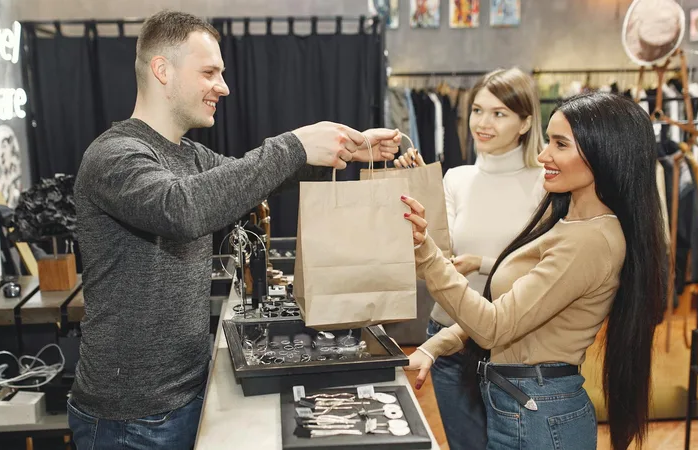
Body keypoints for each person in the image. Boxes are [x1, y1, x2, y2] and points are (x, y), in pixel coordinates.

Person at [68, 10, 400, 450]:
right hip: (130, 417)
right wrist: (296, 143)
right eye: (209, 72)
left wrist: (347, 151)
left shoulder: (189, 154)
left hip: (186, 392)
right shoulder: (114, 157)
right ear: (161, 70)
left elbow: (256, 179)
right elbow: (183, 210)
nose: (222, 87)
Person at [401, 92, 665, 450]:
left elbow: (495, 326)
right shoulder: (565, 219)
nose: (543, 156)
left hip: (538, 416)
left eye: (560, 144)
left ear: (604, 152)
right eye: (548, 141)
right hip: (522, 405)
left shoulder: (591, 240)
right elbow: (514, 311)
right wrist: (436, 345)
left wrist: (426, 252)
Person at [395, 67, 544, 450]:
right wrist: (413, 189)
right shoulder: (455, 179)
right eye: (478, 110)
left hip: (510, 344)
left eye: (499, 113)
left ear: (525, 122)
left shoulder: (545, 182)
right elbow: (431, 260)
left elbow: (544, 267)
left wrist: (482, 262)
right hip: (448, 338)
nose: (483, 122)